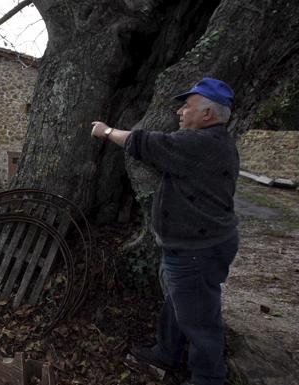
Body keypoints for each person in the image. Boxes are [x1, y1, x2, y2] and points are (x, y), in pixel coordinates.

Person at [91, 77, 240, 385]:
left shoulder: (198, 144)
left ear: (208, 115)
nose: (180, 112)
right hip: (197, 247)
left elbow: (144, 143)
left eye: (187, 106)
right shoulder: (216, 141)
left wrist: (105, 131)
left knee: (200, 319)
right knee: (178, 304)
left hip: (197, 251)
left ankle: (209, 378)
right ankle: (168, 352)